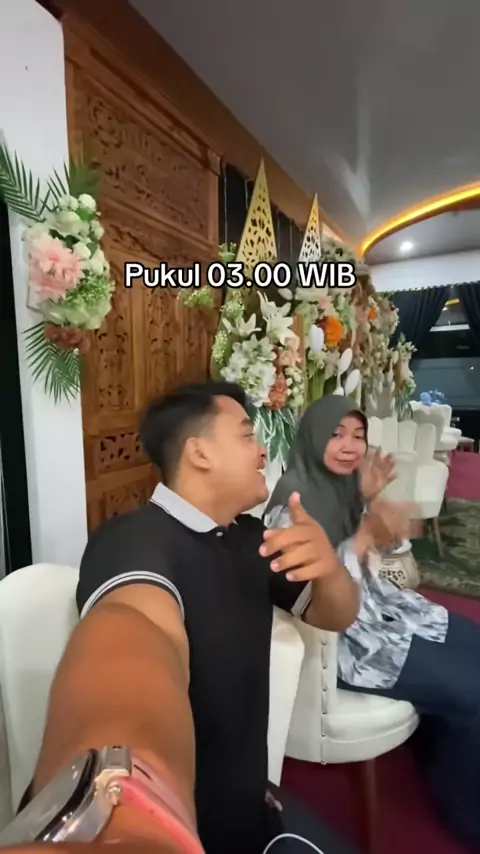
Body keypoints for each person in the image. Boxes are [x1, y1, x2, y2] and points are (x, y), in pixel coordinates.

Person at [7, 382, 360, 854]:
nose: (262, 451)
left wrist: (330, 569)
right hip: (192, 835)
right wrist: (119, 811)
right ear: (199, 453)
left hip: (255, 810)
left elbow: (336, 616)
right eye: (246, 435)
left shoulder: (251, 538)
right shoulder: (132, 540)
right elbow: (134, 639)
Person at [265, 395, 480, 850]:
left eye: (358, 436)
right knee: (471, 689)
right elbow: (319, 596)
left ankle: (442, 745)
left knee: (471, 640)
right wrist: (365, 533)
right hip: (348, 642)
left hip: (381, 611)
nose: (350, 446)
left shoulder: (339, 488)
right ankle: (468, 813)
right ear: (313, 437)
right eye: (336, 435)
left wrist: (372, 502)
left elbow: (385, 557)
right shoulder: (291, 505)